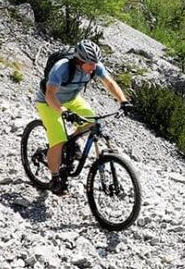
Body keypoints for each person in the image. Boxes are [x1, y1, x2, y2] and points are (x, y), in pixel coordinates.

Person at [36, 39, 126, 195]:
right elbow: (50, 95)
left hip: (72, 99)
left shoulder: (94, 66)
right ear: (79, 61)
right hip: (48, 102)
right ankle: (55, 178)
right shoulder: (61, 68)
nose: (94, 67)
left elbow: (110, 83)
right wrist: (63, 111)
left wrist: (123, 101)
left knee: (93, 123)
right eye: (90, 64)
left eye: (95, 63)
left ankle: (71, 143)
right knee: (58, 140)